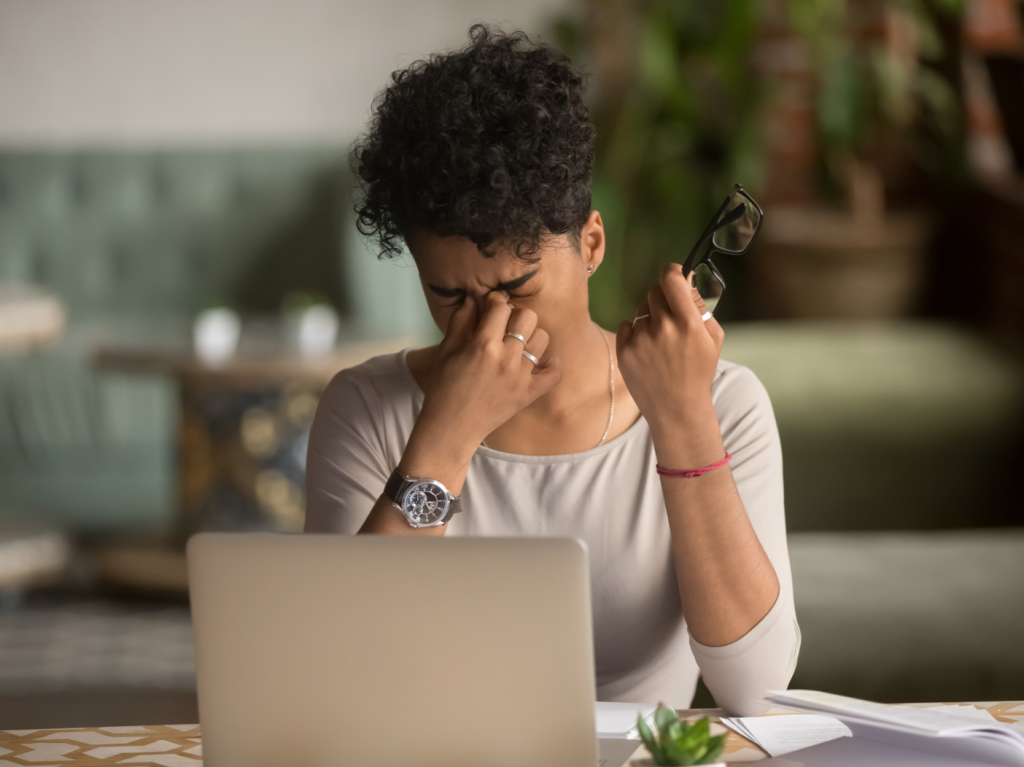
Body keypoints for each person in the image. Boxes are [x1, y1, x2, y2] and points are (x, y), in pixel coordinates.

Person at [305, 25, 799, 716]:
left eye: (520, 284)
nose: (488, 323)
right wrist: (447, 433)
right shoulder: (366, 409)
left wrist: (684, 419)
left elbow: (757, 687)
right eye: (450, 295)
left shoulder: (725, 403)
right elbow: (341, 680)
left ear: (591, 243)